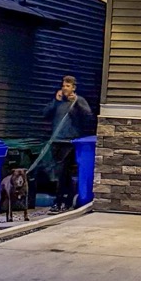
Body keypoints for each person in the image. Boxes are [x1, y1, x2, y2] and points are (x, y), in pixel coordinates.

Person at [44, 75, 96, 210]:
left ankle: (58, 201)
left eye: (68, 86)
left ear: (73, 88)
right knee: (61, 173)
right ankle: (67, 200)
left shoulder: (79, 101)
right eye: (63, 85)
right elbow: (45, 114)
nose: (65, 88)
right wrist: (55, 101)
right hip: (57, 140)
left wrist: (77, 102)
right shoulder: (59, 102)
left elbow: (88, 116)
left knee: (62, 172)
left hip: (70, 142)